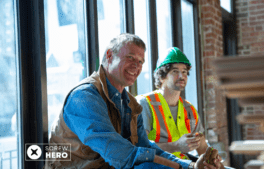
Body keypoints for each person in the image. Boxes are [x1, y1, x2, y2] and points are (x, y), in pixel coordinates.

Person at [45, 34, 221, 169]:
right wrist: (182, 167)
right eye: (130, 58)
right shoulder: (85, 97)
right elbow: (122, 155)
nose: (136, 66)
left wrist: (191, 165)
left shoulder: (130, 104)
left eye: (141, 61)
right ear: (109, 56)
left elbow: (145, 147)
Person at [136, 47, 225, 168]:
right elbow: (139, 149)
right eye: (175, 71)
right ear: (162, 76)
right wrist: (176, 146)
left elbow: (202, 147)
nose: (181, 76)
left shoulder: (189, 109)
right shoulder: (145, 104)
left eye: (184, 72)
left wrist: (212, 159)